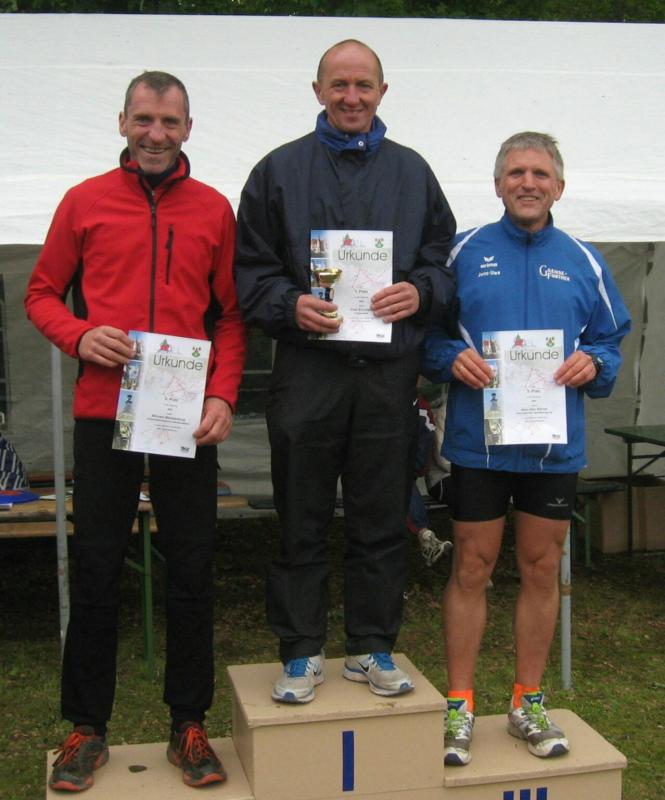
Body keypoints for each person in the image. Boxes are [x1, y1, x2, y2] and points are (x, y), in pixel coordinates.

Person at [25, 71, 246, 791]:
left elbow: (230, 317)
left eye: (169, 122)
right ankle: (87, 728)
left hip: (184, 416)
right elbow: (40, 293)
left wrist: (223, 394)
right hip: (104, 412)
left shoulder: (213, 209)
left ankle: (189, 723)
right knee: (96, 569)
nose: (156, 134)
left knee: (191, 570)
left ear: (188, 129)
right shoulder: (84, 201)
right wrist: (79, 335)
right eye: (144, 119)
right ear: (122, 121)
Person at [234, 39, 456, 704]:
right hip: (308, 371)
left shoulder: (413, 173)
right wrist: (289, 304)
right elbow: (249, 273)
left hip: (387, 374)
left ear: (382, 92)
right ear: (317, 90)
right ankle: (301, 651)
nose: (351, 97)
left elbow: (443, 263)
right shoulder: (277, 172)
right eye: (339, 84)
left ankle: (371, 646)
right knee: (300, 515)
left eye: (363, 85)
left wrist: (420, 291)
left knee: (380, 515)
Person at [422, 132, 630, 766]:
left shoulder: (584, 260)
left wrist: (595, 364)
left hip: (551, 448)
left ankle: (527, 702)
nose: (528, 183)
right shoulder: (462, 253)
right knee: (472, 567)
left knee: (541, 569)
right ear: (497, 184)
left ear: (559, 187)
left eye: (540, 173)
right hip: (480, 445)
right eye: (516, 172)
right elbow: (425, 332)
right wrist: (448, 357)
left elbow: (610, 341)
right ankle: (460, 706)